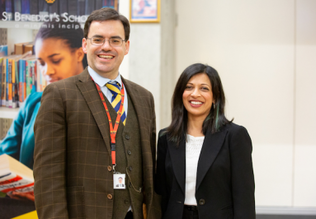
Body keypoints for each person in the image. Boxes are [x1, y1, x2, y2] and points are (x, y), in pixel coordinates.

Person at [33, 8, 160, 219]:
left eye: (115, 40)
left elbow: (149, 170)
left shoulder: (144, 98)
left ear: (126, 47)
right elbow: (48, 178)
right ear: (85, 45)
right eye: (98, 39)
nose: (106, 47)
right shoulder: (59, 94)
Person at [0, 19, 86, 202]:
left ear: (79, 54)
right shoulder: (33, 103)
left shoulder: (100, 106)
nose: (48, 71)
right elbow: (5, 157)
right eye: (41, 63)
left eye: (55, 60)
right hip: (24, 209)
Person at [155, 63, 255, 219]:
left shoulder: (235, 136)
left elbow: (244, 198)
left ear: (215, 97)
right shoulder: (166, 138)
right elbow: (161, 194)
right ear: (181, 94)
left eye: (204, 88)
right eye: (189, 87)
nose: (195, 94)